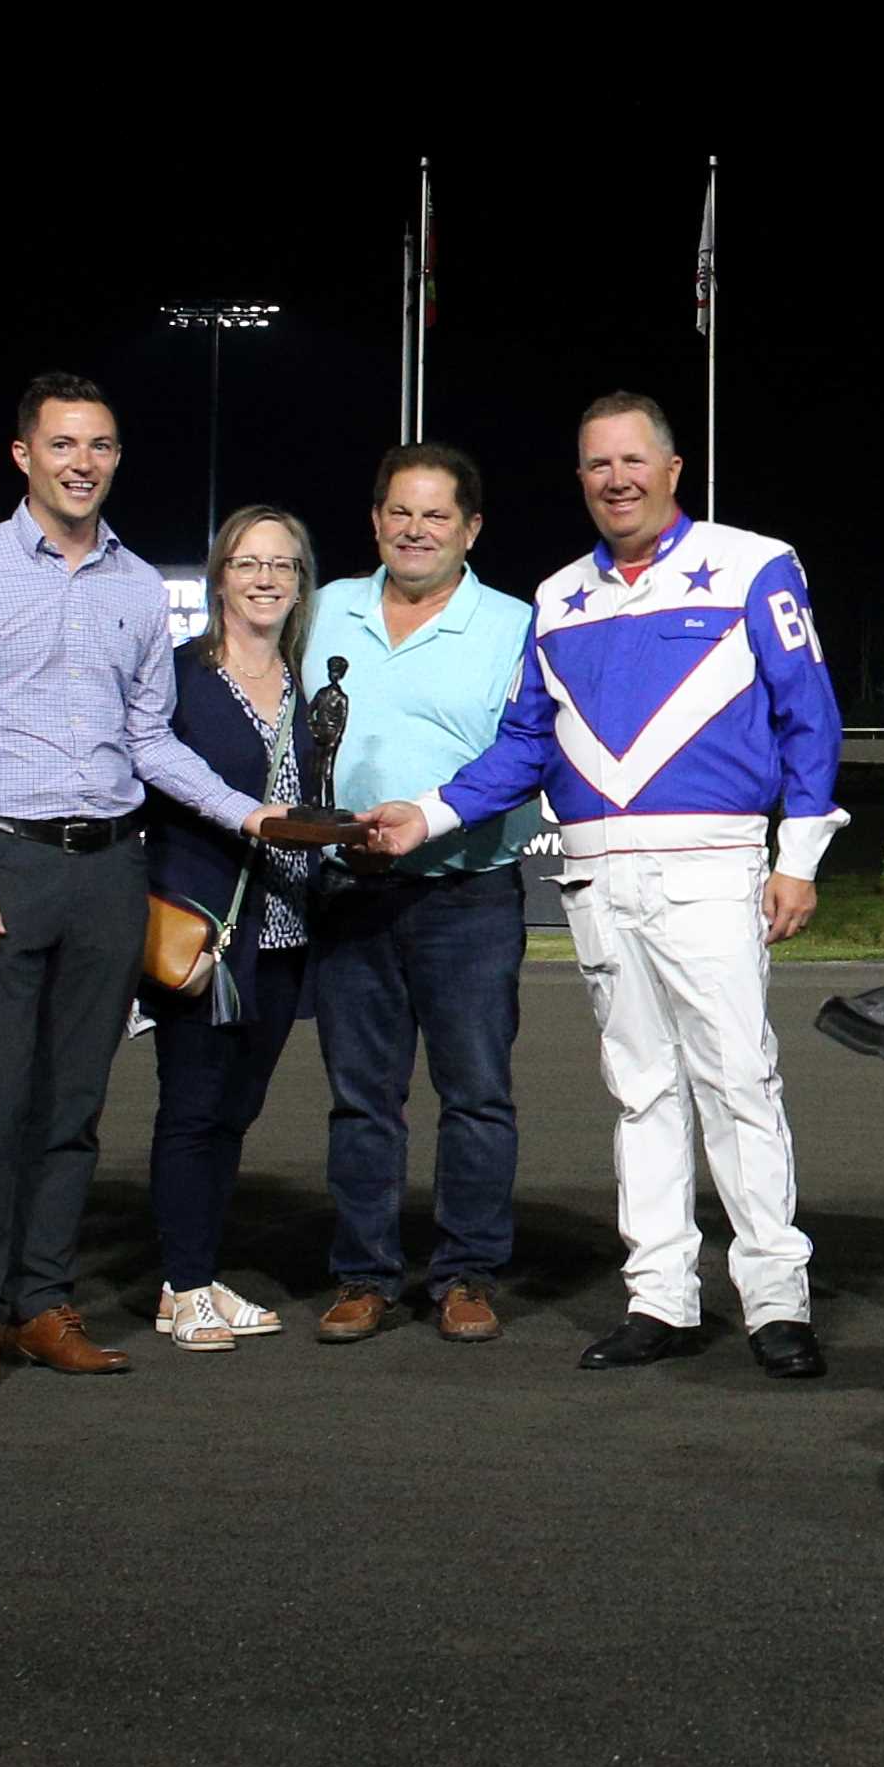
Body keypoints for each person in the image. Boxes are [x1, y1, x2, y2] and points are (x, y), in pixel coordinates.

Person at [360, 394, 845, 1376]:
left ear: (672, 469)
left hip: (712, 867)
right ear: (579, 479)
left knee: (738, 1082)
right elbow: (525, 748)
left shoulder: (755, 563)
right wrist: (430, 813)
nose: (615, 479)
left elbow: (810, 719)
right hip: (595, 878)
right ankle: (658, 1298)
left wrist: (798, 860)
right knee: (642, 1091)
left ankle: (774, 1302)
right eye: (595, 465)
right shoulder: (555, 597)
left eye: (632, 460)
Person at [0, 373, 331, 1392]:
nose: (83, 463)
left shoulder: (136, 585)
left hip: (110, 869)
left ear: (115, 459)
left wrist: (247, 809)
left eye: (101, 446)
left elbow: (146, 739)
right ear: (24, 457)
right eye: (64, 445)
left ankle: (43, 1299)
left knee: (75, 1104)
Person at [294, 445, 539, 1346]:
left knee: (475, 1094)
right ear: (374, 522)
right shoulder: (323, 611)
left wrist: (429, 820)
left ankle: (466, 1272)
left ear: (471, 530)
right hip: (350, 892)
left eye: (437, 516)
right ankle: (364, 1274)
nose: (416, 530)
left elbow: (526, 751)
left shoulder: (514, 623)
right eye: (400, 512)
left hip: (465, 896)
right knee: (362, 1099)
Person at [142, 505, 330, 1349]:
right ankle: (183, 1287)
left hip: (287, 935)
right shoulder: (179, 678)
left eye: (282, 566)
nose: (265, 579)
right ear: (220, 577)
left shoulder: (311, 688)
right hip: (206, 930)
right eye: (249, 563)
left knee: (235, 1112)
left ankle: (196, 1275)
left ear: (300, 585)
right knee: (191, 1108)